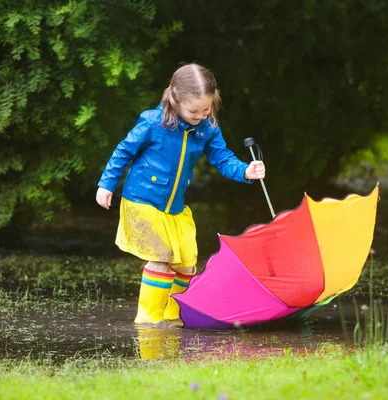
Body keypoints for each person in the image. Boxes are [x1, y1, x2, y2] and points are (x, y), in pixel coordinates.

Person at [96, 63, 265, 326]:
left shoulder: (207, 127)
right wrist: (106, 184)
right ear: (174, 98)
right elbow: (124, 151)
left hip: (175, 207)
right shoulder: (153, 122)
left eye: (206, 110)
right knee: (161, 258)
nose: (199, 116)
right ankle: (148, 321)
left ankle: (172, 318)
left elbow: (222, 158)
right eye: (193, 111)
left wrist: (246, 171)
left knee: (186, 265)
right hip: (143, 200)